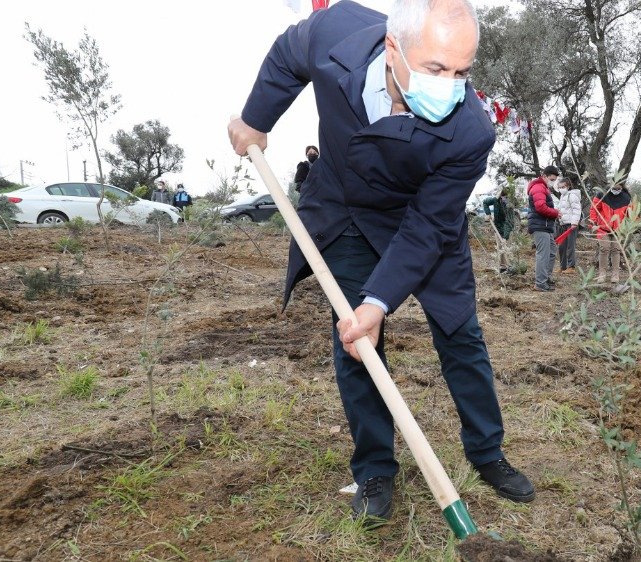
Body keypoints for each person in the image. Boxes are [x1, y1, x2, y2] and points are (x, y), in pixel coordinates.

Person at [228, 0, 534, 523]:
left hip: (423, 223)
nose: (450, 86)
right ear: (394, 48)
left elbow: (428, 225)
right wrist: (256, 120)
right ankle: (375, 468)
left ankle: (487, 453)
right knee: (357, 343)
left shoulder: (472, 131)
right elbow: (286, 56)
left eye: (462, 72)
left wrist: (381, 299)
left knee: (460, 334)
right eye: (436, 68)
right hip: (346, 212)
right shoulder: (335, 34)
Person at [589, 181, 631, 283]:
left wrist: (631, 226)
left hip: (618, 230)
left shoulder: (626, 197)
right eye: (614, 188)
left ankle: (615, 275)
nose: (616, 191)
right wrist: (593, 222)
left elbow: (631, 213)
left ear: (622, 187)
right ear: (610, 186)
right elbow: (594, 209)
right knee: (604, 249)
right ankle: (602, 274)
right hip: (603, 228)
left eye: (618, 189)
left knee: (616, 251)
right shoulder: (602, 194)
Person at [526, 165, 560, 291]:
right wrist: (555, 213)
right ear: (544, 176)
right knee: (543, 254)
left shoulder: (544, 188)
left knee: (551, 252)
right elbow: (540, 207)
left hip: (545, 226)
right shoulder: (538, 187)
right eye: (552, 179)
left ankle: (546, 278)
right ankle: (540, 283)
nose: (553, 182)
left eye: (554, 180)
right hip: (540, 226)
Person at [482, 187, 514, 273]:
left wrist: (505, 237)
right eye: (503, 196)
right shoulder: (496, 200)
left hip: (507, 227)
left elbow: (509, 222)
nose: (505, 198)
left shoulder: (509, 206)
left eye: (506, 197)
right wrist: (488, 214)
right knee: (500, 247)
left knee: (507, 246)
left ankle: (510, 266)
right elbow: (485, 202)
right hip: (497, 227)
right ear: (500, 196)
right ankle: (502, 267)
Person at [555, 176, 581, 274]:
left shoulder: (572, 196)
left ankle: (571, 267)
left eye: (563, 187)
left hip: (571, 225)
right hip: (562, 224)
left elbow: (576, 210)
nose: (561, 189)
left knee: (570, 246)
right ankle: (563, 266)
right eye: (559, 187)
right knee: (562, 247)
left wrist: (574, 223)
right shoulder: (562, 197)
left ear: (568, 186)